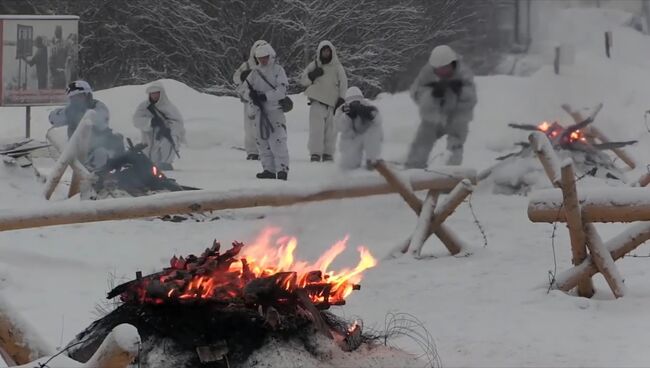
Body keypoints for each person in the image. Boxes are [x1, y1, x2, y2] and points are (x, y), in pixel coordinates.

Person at [405, 45, 477, 168]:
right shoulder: (427, 72)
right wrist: (431, 94)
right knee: (422, 141)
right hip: (433, 115)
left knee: (455, 146)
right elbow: (415, 93)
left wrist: (458, 92)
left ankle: (450, 175)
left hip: (457, 117)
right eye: (438, 69)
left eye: (445, 68)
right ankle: (413, 169)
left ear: (452, 64)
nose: (441, 71)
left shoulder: (463, 72)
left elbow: (472, 99)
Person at [49, 80, 124, 171]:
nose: (76, 100)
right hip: (77, 148)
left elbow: (100, 121)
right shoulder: (71, 109)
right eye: (73, 98)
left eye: (79, 96)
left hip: (98, 147)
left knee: (102, 154)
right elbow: (53, 119)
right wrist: (69, 113)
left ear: (88, 95)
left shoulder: (98, 106)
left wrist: (80, 115)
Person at [244, 43, 290, 180]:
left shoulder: (278, 70)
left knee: (278, 141)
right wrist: (251, 96)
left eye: (265, 57)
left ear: (271, 56)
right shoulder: (254, 73)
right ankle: (268, 169)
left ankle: (282, 169)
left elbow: (281, 91)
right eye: (260, 58)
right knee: (262, 141)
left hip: (275, 111)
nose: (263, 60)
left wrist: (265, 96)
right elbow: (243, 90)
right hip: (259, 112)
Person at [300, 40, 347, 162]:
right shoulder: (314, 65)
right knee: (316, 131)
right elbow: (303, 80)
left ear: (332, 52)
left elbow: (343, 83)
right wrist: (312, 75)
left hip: (332, 104)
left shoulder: (337, 67)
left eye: (328, 51)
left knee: (331, 131)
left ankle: (328, 153)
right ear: (320, 52)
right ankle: (315, 153)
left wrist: (341, 99)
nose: (326, 53)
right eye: (324, 51)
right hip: (317, 102)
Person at [133, 81, 185, 170]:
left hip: (164, 135)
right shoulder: (144, 106)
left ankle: (165, 163)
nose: (154, 96)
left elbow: (178, 123)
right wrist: (150, 122)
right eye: (152, 93)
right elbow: (136, 120)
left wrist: (167, 128)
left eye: (156, 93)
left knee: (167, 142)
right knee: (149, 153)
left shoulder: (169, 107)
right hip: (149, 136)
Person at [233, 40, 268, 161]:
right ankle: (252, 151)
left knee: (263, 126)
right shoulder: (247, 65)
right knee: (249, 127)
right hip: (248, 99)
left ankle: (264, 150)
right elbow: (236, 77)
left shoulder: (270, 66)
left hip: (264, 100)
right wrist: (243, 78)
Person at [335, 87, 383, 170]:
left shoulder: (367, 106)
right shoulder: (344, 110)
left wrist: (366, 113)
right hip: (353, 138)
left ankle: (372, 159)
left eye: (357, 102)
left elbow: (378, 121)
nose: (355, 104)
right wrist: (345, 115)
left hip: (368, 136)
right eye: (352, 102)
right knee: (349, 165)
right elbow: (340, 128)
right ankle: (352, 162)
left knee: (373, 132)